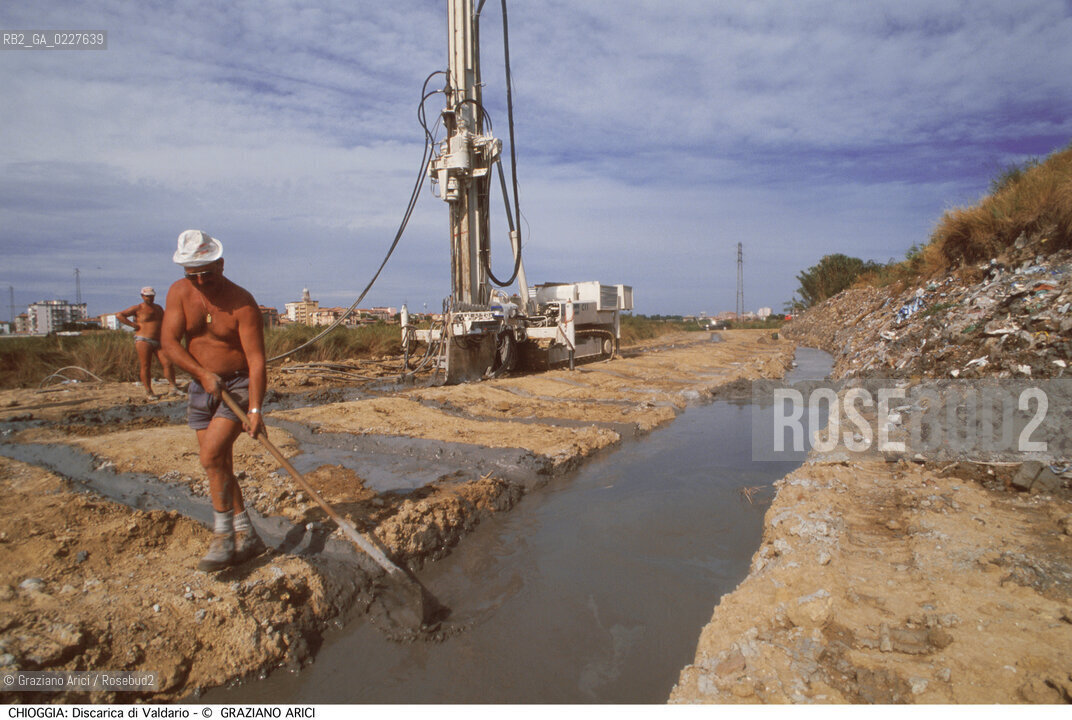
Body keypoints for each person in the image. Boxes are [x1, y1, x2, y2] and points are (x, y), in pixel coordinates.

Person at [161, 229, 268, 572]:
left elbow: (256, 361)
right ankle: (246, 534)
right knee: (220, 465)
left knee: (210, 457)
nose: (201, 281)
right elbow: (170, 343)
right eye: (193, 275)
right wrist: (202, 374)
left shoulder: (242, 302)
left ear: (221, 264)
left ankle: (222, 537)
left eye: (207, 272)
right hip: (201, 387)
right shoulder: (180, 292)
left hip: (235, 386)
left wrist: (254, 409)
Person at [116, 287, 180, 399]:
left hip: (158, 340)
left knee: (167, 363)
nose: (149, 298)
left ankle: (173, 387)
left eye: (151, 296)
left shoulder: (158, 308)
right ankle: (149, 392)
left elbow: (166, 321)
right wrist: (133, 325)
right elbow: (119, 315)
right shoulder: (138, 308)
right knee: (146, 366)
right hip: (143, 340)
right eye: (147, 296)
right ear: (142, 296)